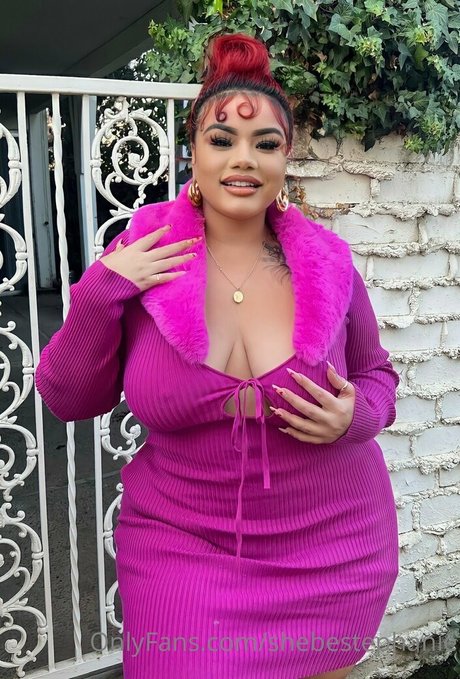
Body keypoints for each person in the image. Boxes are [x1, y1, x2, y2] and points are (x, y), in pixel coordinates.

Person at [35, 32, 400, 679]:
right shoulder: (141, 260)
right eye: (222, 139)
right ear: (193, 150)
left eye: (266, 143)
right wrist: (98, 293)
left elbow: (377, 374)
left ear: (286, 156)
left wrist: (357, 417)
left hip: (335, 550)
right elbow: (67, 398)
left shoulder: (328, 263)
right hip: (182, 544)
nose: (244, 159)